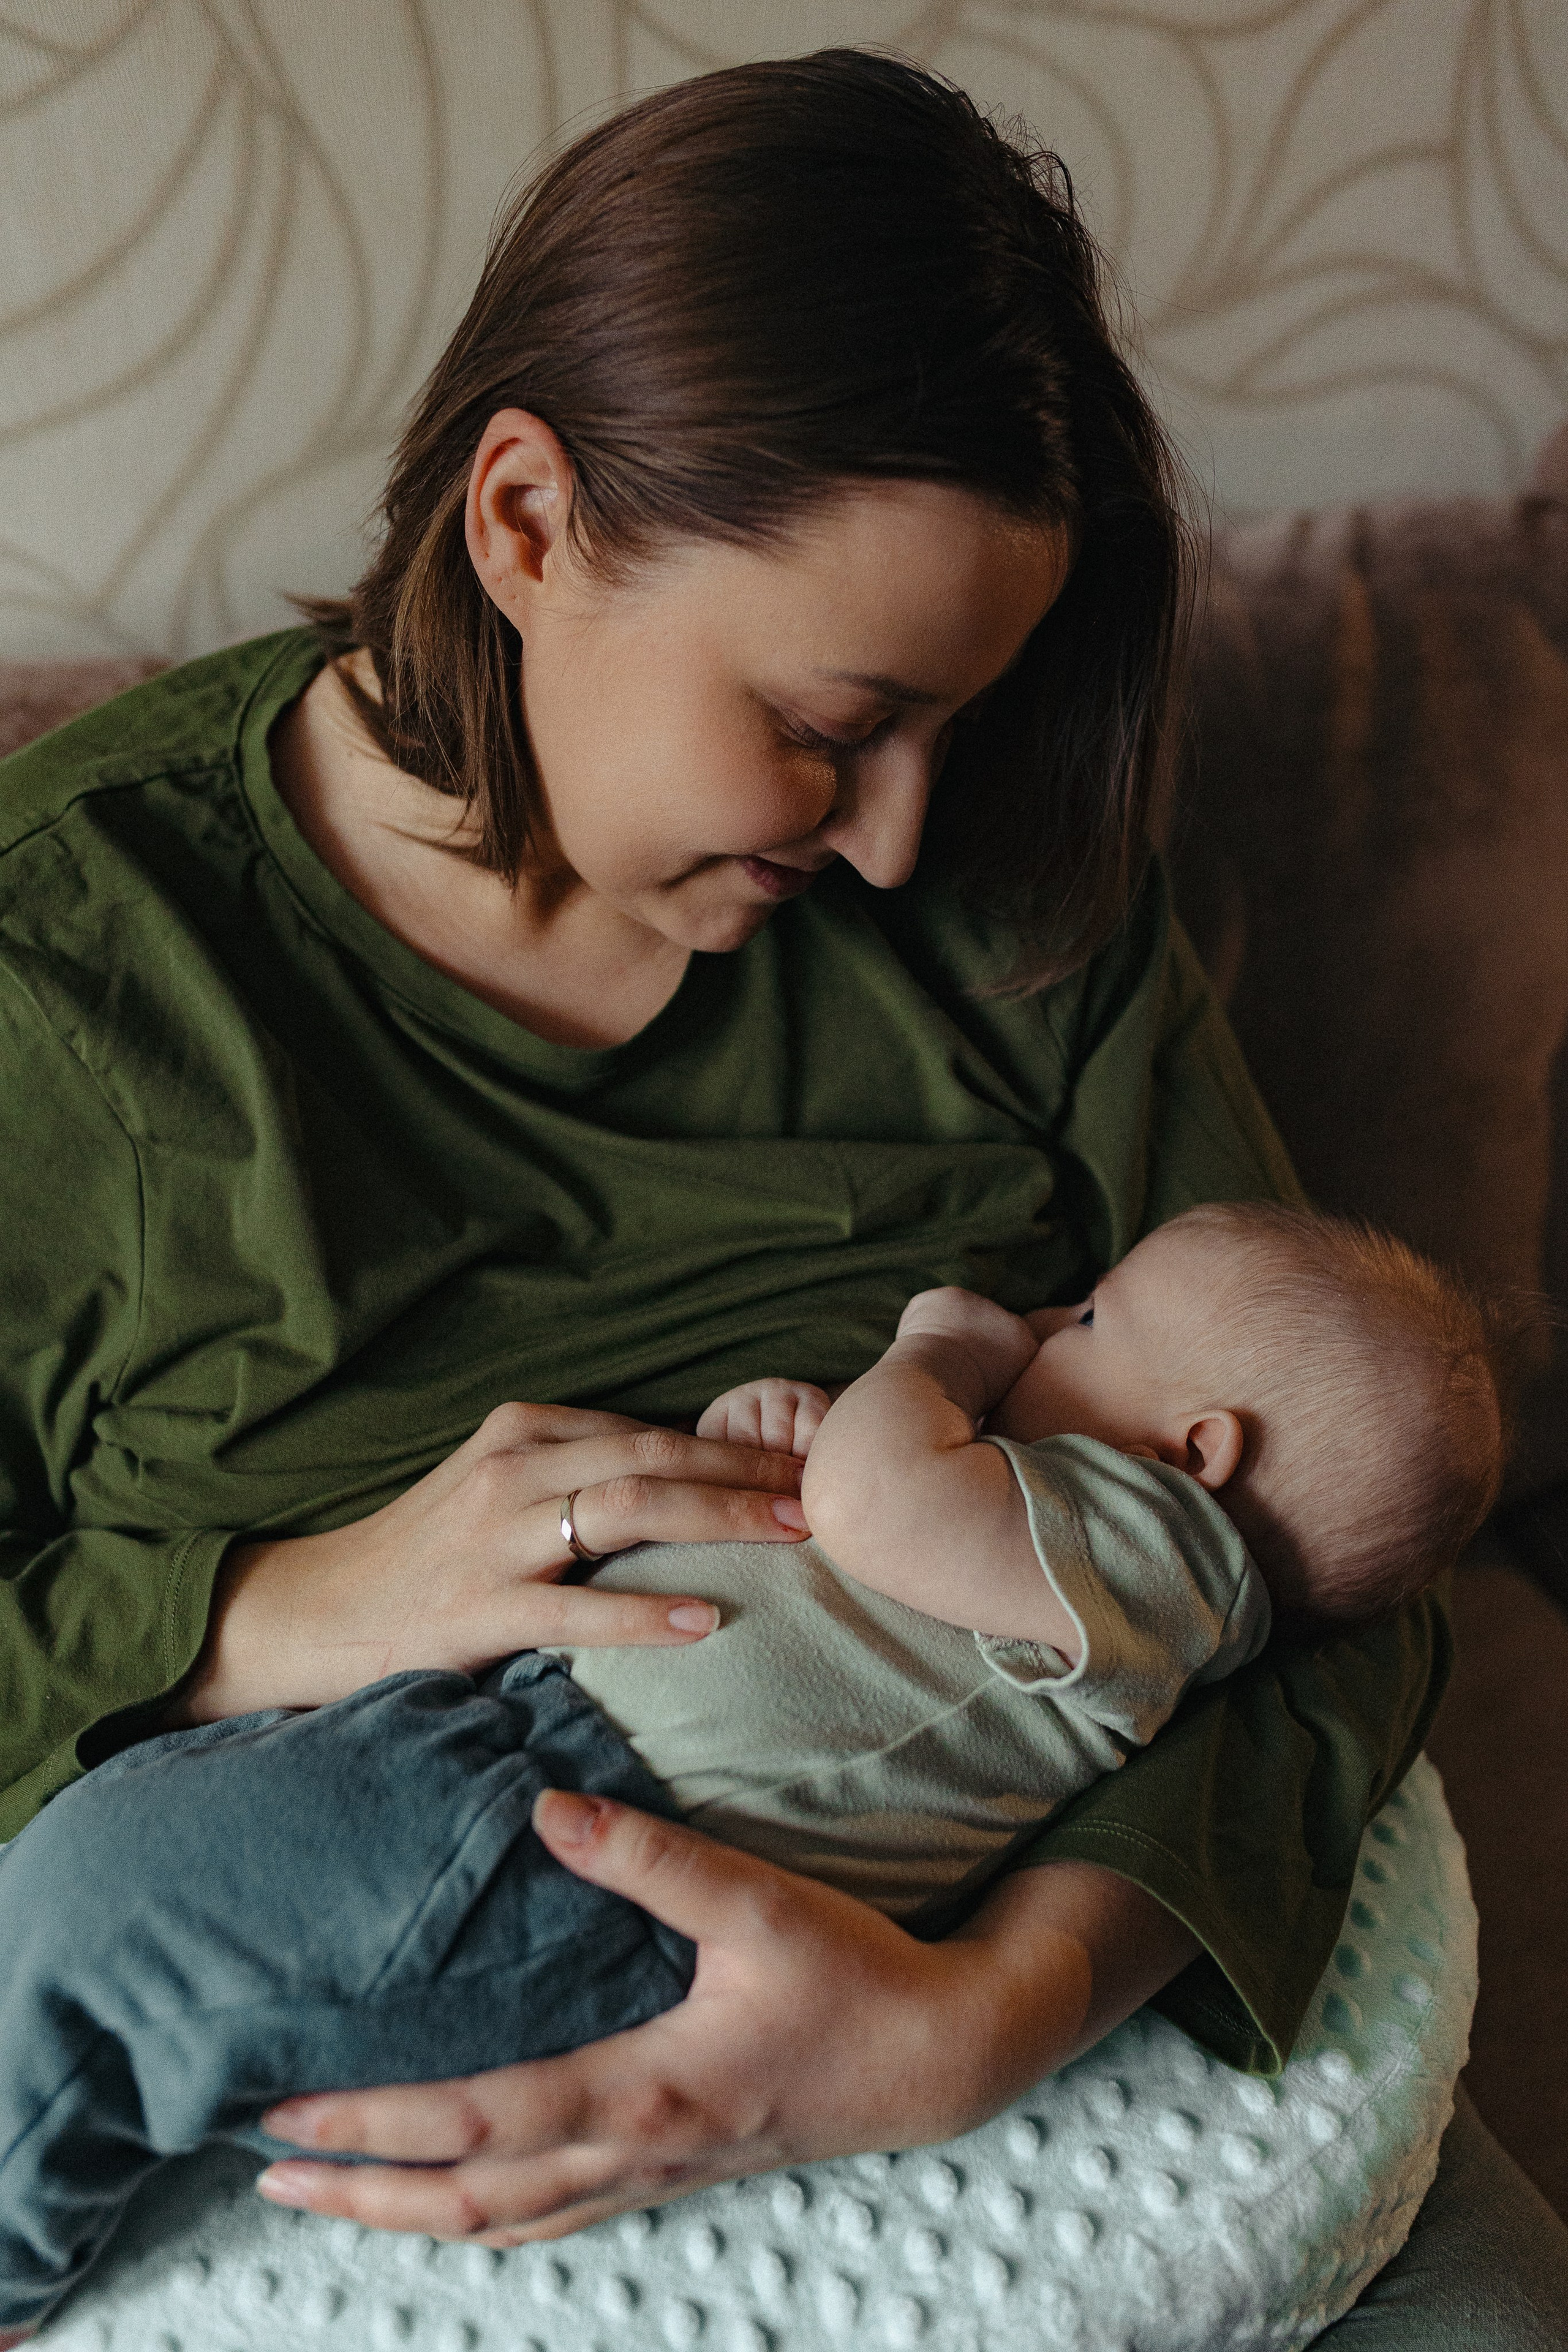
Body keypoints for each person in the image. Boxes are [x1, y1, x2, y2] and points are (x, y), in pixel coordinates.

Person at [0, 45, 1563, 2347]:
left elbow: (1345, 1529)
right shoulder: (67, 973)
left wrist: (966, 2027)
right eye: (836, 722)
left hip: (1065, 2000)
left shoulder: (1012, 884)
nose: (905, 839)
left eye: (959, 721)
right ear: (526, 527)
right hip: (387, 1967)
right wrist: (267, 1609)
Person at [0, 1202, 1510, 2338]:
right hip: (514, 1752)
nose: (1048, 1326)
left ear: (1197, 1453)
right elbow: (845, 1526)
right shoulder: (1052, 1549)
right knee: (128, 1867)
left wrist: (930, 1359)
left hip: (578, 1845)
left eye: (1094, 1324)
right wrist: (785, 1434)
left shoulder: (1156, 1566)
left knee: (107, 1934)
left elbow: (873, 1499)